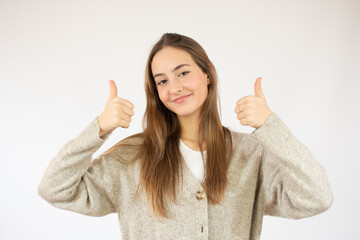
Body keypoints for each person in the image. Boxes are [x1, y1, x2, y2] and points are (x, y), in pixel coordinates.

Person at [38, 33, 333, 239]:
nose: (174, 88)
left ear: (207, 74)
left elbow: (317, 197)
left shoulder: (250, 155)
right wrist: (99, 129)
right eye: (162, 81)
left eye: (183, 73)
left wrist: (270, 125)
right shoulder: (134, 158)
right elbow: (54, 188)